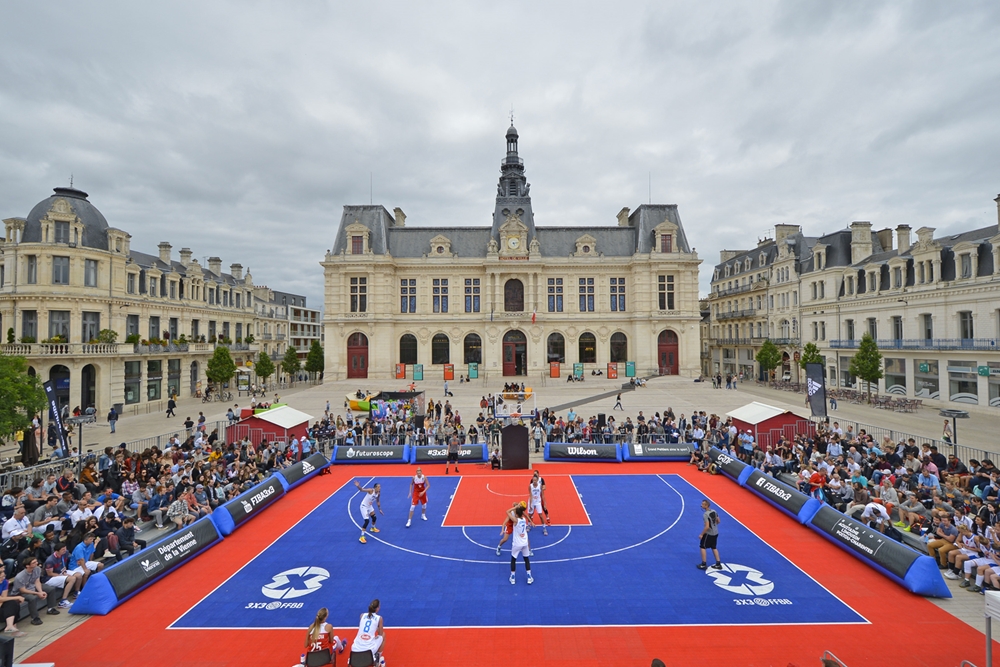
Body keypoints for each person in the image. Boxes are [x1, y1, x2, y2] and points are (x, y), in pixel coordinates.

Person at [13, 556, 60, 624]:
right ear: (27, 565)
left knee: (51, 589)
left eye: (36, 561)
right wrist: (37, 593)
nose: (36, 563)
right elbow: (23, 590)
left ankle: (51, 608)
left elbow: (37, 581)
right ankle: (34, 618)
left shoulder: (37, 569)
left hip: (33, 586)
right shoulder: (19, 576)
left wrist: (41, 591)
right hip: (21, 592)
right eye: (34, 562)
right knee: (32, 598)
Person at [350, 599, 386, 667]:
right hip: (369, 650)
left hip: (355, 648)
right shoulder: (379, 618)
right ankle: (378, 657)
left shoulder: (362, 615)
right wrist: (376, 627)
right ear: (378, 608)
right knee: (383, 635)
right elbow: (380, 633)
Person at [508, 503, 533, 585]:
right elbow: (523, 514)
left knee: (513, 560)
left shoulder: (515, 520)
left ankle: (512, 577)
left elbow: (507, 511)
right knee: (526, 559)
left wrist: (515, 507)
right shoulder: (524, 520)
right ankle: (529, 577)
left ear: (516, 514)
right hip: (525, 543)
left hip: (517, 544)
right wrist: (518, 508)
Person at [0, 565, 25, 637]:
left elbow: (4, 597)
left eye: (3, 576)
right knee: (12, 601)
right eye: (1, 577)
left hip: (1, 604)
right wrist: (17, 597)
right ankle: (11, 627)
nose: (3, 578)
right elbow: (1, 599)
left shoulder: (4, 582)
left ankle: (11, 626)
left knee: (13, 603)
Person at [697, 500, 722, 570]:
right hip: (716, 532)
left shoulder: (705, 515)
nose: (701, 505)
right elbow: (718, 521)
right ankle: (718, 563)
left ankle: (704, 564)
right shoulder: (714, 511)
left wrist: (702, 534)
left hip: (709, 534)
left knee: (702, 546)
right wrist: (714, 526)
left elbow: (707, 526)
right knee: (714, 547)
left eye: (703, 504)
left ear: (706, 506)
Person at [527, 471, 550, 536]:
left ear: (537, 480)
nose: (534, 481)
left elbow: (542, 495)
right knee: (530, 515)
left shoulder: (540, 486)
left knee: (540, 515)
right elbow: (530, 495)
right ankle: (528, 525)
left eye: (535, 480)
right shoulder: (530, 486)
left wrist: (544, 504)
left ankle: (544, 528)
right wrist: (531, 504)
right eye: (533, 480)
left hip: (538, 502)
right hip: (532, 502)